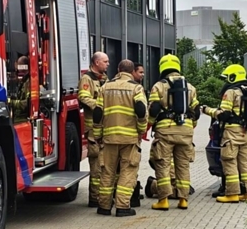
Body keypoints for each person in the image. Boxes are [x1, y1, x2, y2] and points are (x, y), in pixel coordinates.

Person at [94, 59, 148, 217]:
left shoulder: (105, 87)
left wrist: (97, 135)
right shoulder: (136, 88)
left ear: (118, 70)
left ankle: (104, 206)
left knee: (107, 172)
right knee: (128, 171)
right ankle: (123, 207)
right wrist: (141, 130)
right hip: (129, 139)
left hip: (109, 138)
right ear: (132, 72)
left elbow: (97, 113)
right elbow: (141, 112)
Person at [148, 54, 200, 210]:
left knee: (163, 164)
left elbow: (154, 109)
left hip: (165, 131)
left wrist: (149, 124)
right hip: (186, 131)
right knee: (183, 166)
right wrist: (191, 126)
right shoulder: (190, 87)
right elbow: (196, 111)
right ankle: (183, 200)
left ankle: (163, 200)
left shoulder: (159, 86)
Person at [202, 63, 247, 203]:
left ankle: (232, 194)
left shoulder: (231, 92)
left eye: (227, 77)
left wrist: (207, 110)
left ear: (233, 77)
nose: (226, 80)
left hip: (232, 133)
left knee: (229, 161)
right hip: (245, 132)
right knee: (245, 163)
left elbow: (224, 114)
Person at [78, 52, 109, 207]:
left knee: (105, 164)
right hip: (93, 130)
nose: (108, 64)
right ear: (97, 62)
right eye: (105, 61)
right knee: (96, 165)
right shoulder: (87, 79)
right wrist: (99, 106)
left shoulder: (104, 79)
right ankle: (94, 198)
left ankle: (104, 196)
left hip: (105, 128)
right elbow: (83, 97)